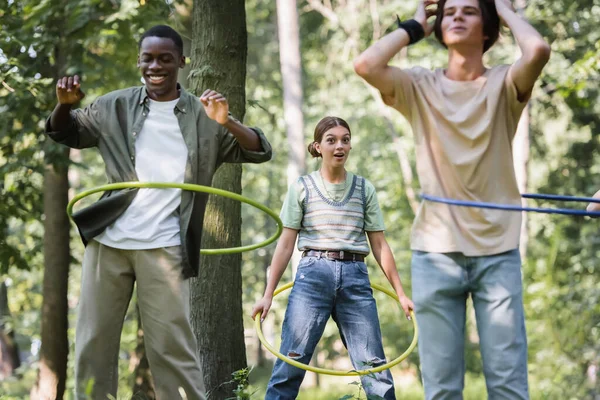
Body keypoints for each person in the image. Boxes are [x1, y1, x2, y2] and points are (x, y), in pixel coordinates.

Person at [45, 25, 272, 400]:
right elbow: (64, 133)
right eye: (148, 58)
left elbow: (259, 150)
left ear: (182, 62)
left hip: (165, 247)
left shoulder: (204, 116)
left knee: (172, 350)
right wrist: (64, 104)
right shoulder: (113, 105)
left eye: (165, 58)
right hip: (109, 243)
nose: (156, 66)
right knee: (93, 344)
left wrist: (226, 121)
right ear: (139, 61)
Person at [354, 0, 550, 398]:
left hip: (497, 253)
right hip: (435, 253)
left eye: (471, 11)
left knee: (509, 387)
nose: (457, 16)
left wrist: (503, 8)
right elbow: (366, 65)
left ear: (488, 28)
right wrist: (414, 25)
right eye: (450, 11)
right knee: (441, 390)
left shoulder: (505, 84)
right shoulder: (419, 86)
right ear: (440, 28)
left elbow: (538, 51)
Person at [251, 116, 414, 399]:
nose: (340, 146)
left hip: (355, 276)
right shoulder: (302, 187)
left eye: (345, 139)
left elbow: (379, 244)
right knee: (291, 361)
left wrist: (401, 294)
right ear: (318, 146)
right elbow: (286, 244)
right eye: (332, 140)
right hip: (313, 274)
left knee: (375, 367)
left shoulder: (364, 189)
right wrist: (267, 294)